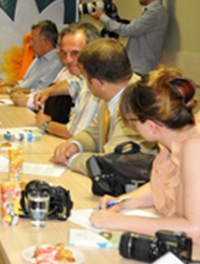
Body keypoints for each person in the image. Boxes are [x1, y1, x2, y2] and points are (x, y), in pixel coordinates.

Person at [89, 67, 200, 245]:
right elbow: (164, 186)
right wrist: (123, 202)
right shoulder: (174, 139)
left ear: (152, 126)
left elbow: (197, 231)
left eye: (134, 122)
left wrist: (120, 221)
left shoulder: (197, 146)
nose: (134, 128)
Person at [50, 39, 157, 174]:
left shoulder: (137, 104)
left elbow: (113, 163)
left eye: (85, 77)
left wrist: (72, 159)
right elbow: (93, 133)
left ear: (97, 83)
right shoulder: (110, 93)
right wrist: (75, 145)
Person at [89, 0, 168, 75]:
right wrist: (113, 13)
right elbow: (127, 27)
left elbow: (126, 31)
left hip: (140, 71)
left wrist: (102, 17)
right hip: (135, 69)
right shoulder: (151, 12)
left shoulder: (155, 13)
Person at [32, 23, 100, 139]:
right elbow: (73, 84)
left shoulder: (97, 82)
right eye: (64, 53)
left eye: (75, 53)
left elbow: (76, 133)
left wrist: (46, 124)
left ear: (93, 51)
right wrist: (48, 91)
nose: (68, 60)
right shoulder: (84, 75)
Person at [0, 20, 62, 94]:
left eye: (33, 40)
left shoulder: (56, 64)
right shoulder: (38, 58)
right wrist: (6, 84)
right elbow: (25, 83)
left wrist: (10, 91)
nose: (30, 44)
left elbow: (40, 92)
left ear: (46, 43)